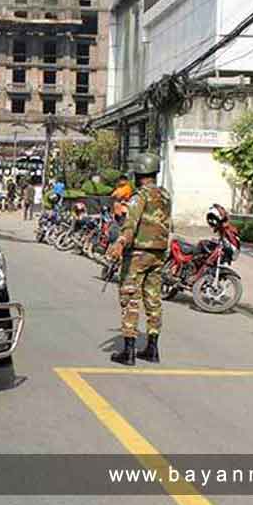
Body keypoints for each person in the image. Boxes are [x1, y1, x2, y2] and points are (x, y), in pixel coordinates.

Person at [105, 153, 171, 366]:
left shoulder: (139, 197)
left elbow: (130, 224)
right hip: (159, 253)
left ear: (140, 173)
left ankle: (129, 351)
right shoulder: (165, 195)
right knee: (153, 299)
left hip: (138, 254)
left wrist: (120, 243)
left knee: (130, 298)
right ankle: (153, 349)